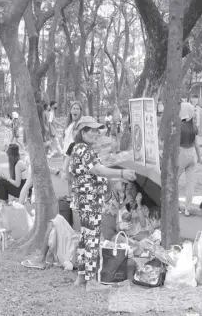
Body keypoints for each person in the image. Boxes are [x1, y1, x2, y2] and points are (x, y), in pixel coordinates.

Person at [70, 116, 136, 286]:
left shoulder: (81, 149)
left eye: (96, 130)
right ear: (82, 132)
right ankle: (91, 280)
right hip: (90, 201)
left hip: (86, 200)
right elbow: (98, 170)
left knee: (85, 236)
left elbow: (97, 172)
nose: (95, 133)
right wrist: (121, 174)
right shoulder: (83, 150)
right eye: (91, 130)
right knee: (92, 238)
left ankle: (81, 276)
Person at [178, 102, 202, 216]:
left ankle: (174, 206)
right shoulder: (194, 126)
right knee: (190, 184)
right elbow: (197, 144)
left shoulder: (179, 126)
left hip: (181, 154)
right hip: (192, 154)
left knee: (173, 181)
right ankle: (187, 209)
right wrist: (200, 158)